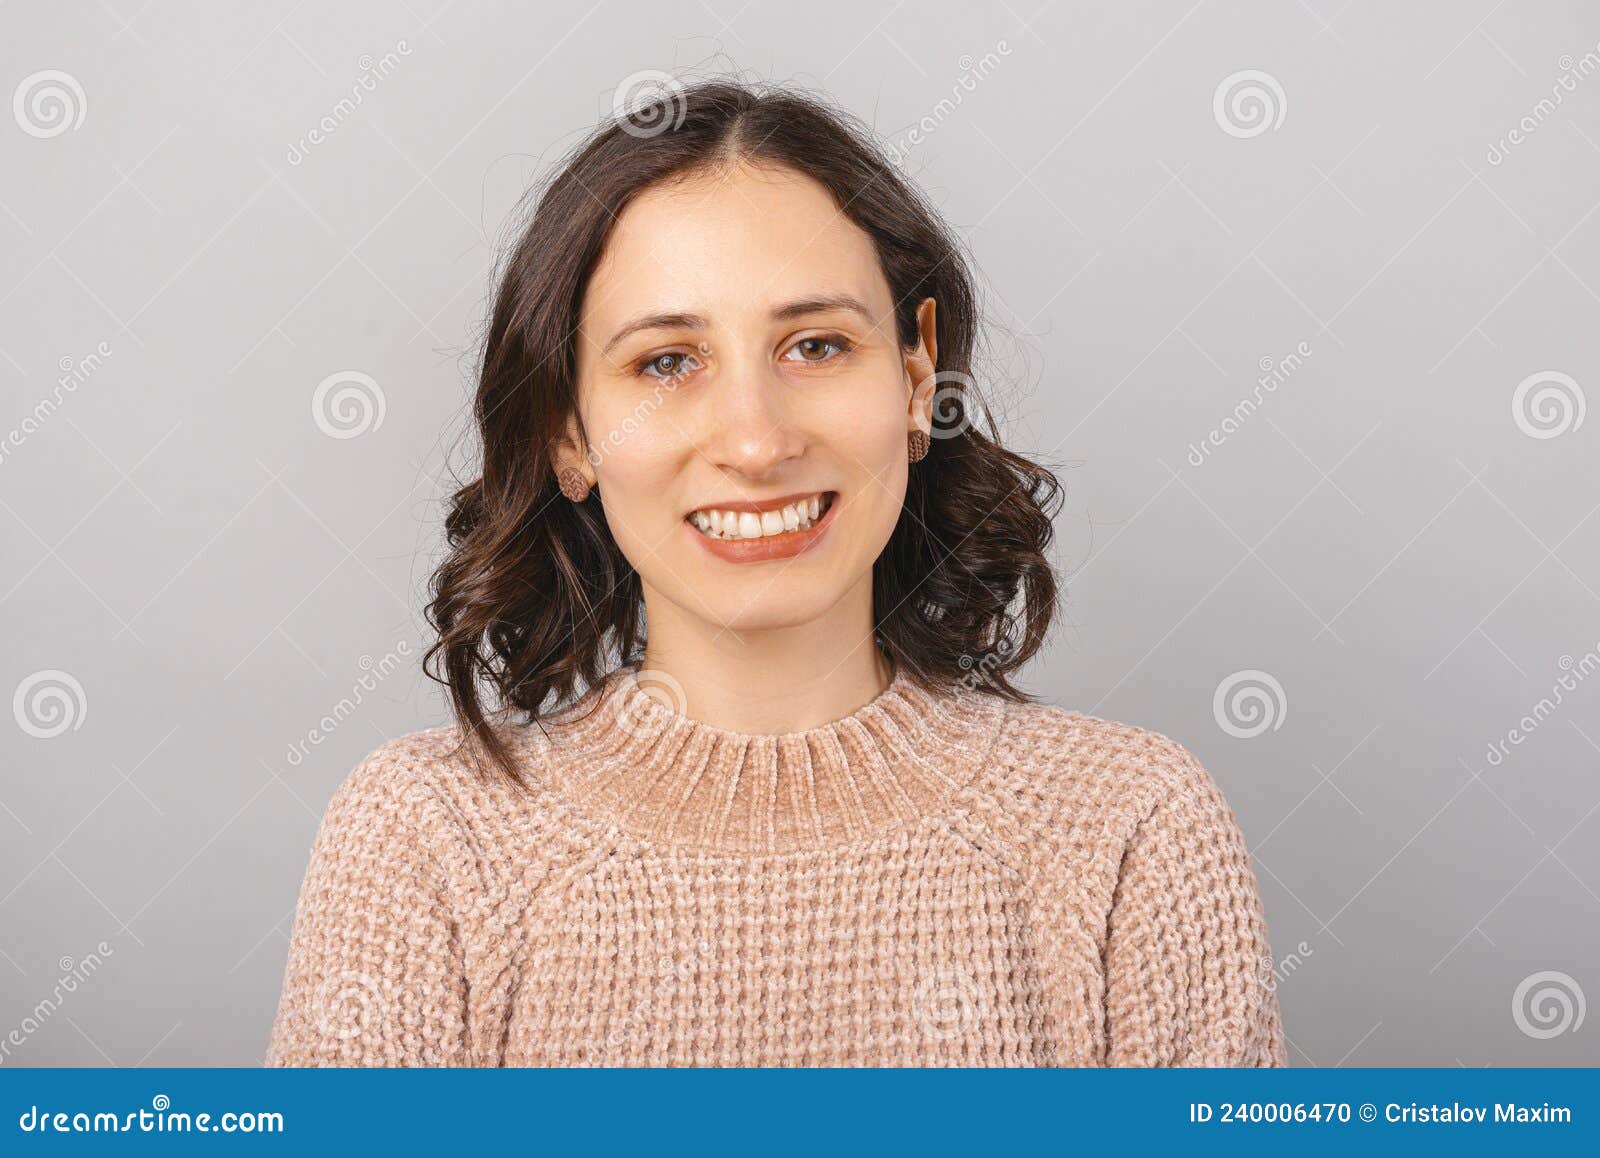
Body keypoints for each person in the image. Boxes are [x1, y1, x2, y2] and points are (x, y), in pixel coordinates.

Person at [264, 78, 1288, 1067]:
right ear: (566, 430)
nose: (754, 442)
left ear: (915, 376)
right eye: (666, 362)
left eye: (814, 345)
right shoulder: (426, 843)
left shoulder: (1130, 832)